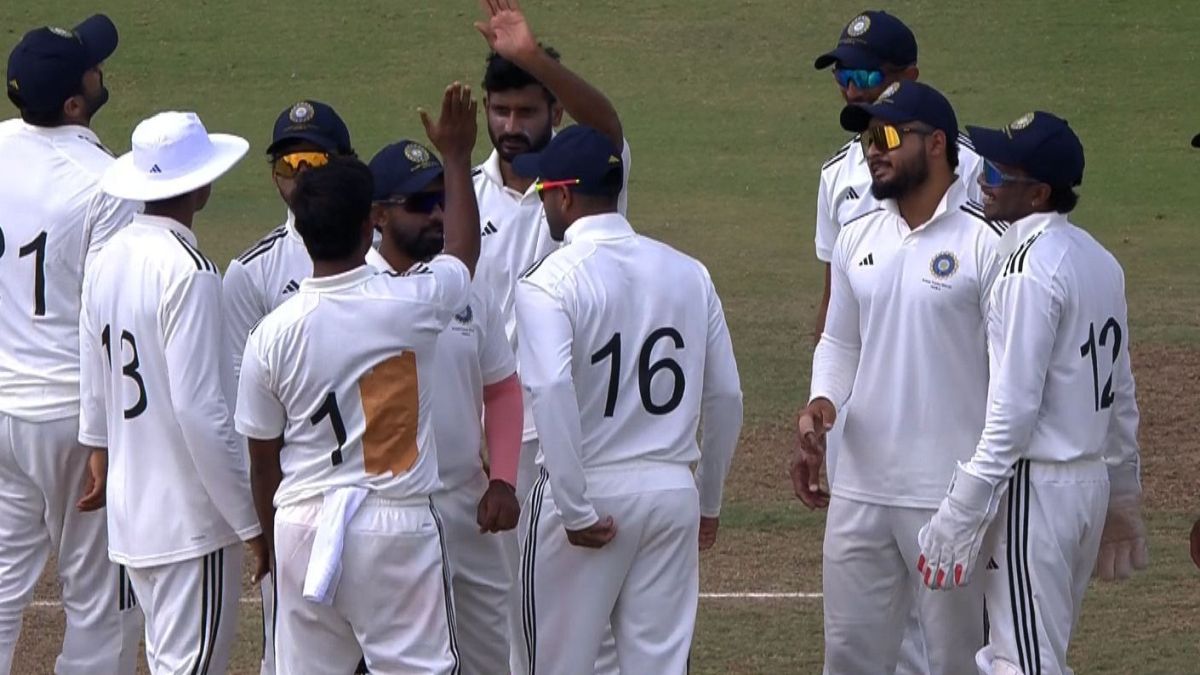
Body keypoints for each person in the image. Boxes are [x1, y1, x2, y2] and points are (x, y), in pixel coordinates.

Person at [235, 83, 480, 674]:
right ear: (371, 224)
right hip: (394, 526)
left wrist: (268, 539)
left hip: (300, 524)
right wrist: (454, 156)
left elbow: (263, 458)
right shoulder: (408, 304)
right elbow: (464, 254)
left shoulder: (272, 333)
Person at [916, 112, 1147, 675]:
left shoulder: (1027, 270)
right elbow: (1120, 396)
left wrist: (965, 504)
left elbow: (1013, 414)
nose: (983, 181)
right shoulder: (1100, 261)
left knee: (1017, 662)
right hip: (1084, 488)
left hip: (1037, 491)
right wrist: (1120, 494)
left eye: (998, 171)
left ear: (1039, 192)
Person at [514, 124, 743, 673]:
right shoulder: (690, 272)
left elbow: (548, 389)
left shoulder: (547, 281)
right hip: (670, 492)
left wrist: (574, 506)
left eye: (545, 193)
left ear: (564, 194)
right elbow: (727, 395)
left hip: (589, 490)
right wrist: (707, 501)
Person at [794, 81, 1002, 674]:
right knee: (849, 657)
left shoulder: (987, 239)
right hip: (859, 487)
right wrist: (822, 403)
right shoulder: (857, 234)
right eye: (865, 138)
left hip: (946, 492)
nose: (871, 150)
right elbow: (840, 340)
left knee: (955, 659)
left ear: (935, 143)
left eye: (885, 136)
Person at [471, 1, 631, 669]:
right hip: (485, 440)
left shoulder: (584, 186)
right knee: (507, 603)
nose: (511, 127)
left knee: (576, 612)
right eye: (500, 112)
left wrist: (533, 57)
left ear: (554, 114)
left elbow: (611, 130)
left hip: (570, 429)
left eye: (527, 112)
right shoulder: (458, 192)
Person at [81, 111, 268, 673]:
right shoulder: (190, 271)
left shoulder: (105, 260)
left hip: (132, 513)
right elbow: (202, 411)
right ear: (202, 185)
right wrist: (249, 520)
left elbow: (94, 372)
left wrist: (98, 449)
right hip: (192, 523)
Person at [0, 15, 142, 674]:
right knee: (99, 601)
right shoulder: (108, 183)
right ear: (76, 102)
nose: (99, 64)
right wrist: (103, 433)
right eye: (91, 64)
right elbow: (107, 316)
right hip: (68, 418)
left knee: (1, 585)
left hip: (2, 412)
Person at [365, 138, 523, 673]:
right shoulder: (355, 290)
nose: (437, 213)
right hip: (387, 510)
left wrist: (502, 477)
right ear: (378, 216)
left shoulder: (466, 290)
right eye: (419, 204)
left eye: (441, 200)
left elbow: (500, 386)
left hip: (466, 505)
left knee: (485, 660)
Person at [220, 98, 355, 675]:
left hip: (380, 490)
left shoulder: (385, 253)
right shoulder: (251, 273)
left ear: (345, 164)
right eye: (287, 165)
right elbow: (247, 420)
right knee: (291, 659)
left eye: (313, 161)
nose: (298, 178)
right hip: (298, 499)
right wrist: (263, 531)